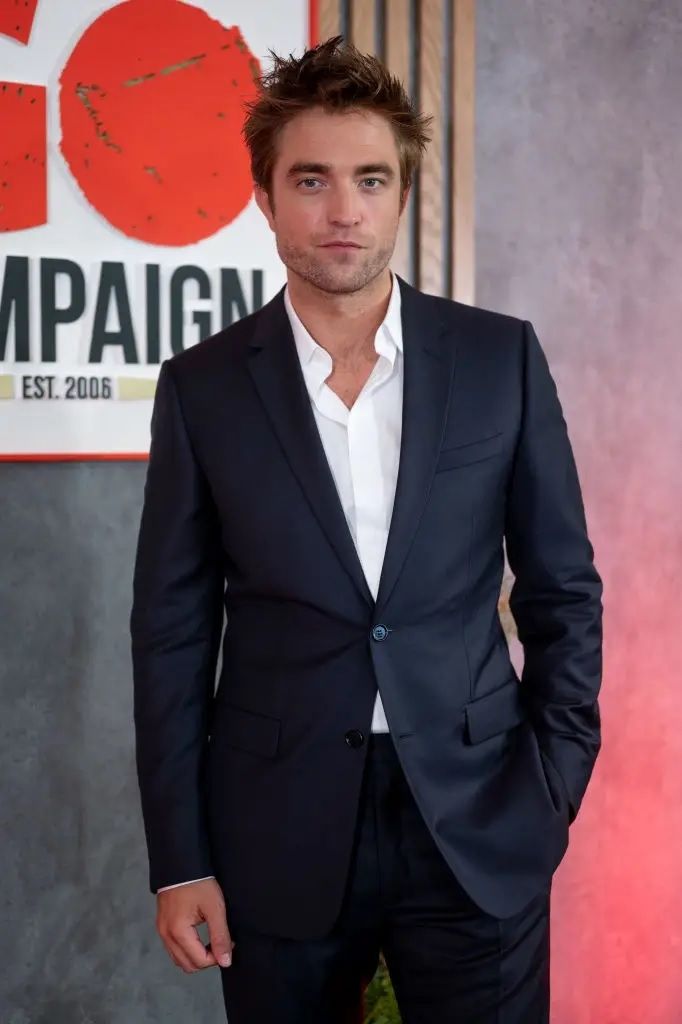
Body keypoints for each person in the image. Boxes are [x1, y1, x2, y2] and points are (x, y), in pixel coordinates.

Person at [130, 35, 603, 1024]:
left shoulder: (500, 360)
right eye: (311, 180)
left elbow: (563, 590)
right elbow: (171, 635)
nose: (342, 210)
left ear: (401, 196)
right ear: (265, 199)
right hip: (274, 828)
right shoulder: (202, 390)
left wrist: (551, 786)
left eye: (370, 180)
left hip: (478, 817)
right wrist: (179, 860)